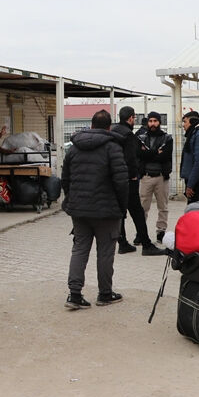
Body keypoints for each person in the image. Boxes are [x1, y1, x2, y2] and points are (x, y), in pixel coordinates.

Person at [61, 110, 128, 310]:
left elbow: (65, 178)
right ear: (109, 127)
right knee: (105, 252)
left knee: (80, 249)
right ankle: (105, 294)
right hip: (107, 212)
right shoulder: (113, 148)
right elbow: (122, 182)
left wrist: (71, 200)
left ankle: (74, 295)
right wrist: (121, 207)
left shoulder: (73, 149)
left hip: (79, 210)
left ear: (91, 126)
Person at [111, 106, 164, 255]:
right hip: (128, 179)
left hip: (115, 178)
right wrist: (134, 174)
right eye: (134, 118)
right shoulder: (128, 135)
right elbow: (131, 157)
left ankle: (122, 243)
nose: (134, 120)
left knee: (120, 212)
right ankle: (146, 245)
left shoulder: (113, 132)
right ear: (130, 118)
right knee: (137, 212)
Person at [137, 111, 173, 243]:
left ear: (159, 122)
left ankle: (161, 232)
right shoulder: (141, 137)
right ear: (147, 122)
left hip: (161, 177)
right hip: (146, 177)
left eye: (155, 121)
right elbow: (139, 155)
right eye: (151, 121)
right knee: (142, 207)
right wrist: (155, 153)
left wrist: (148, 153)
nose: (153, 124)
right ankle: (140, 233)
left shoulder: (167, 138)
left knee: (163, 207)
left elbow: (165, 156)